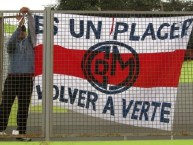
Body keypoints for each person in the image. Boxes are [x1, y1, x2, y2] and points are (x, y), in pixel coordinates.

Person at [0, 7, 36, 141]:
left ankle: (20, 133)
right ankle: (0, 129)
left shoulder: (30, 43)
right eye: (20, 31)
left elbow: (32, 30)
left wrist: (29, 15)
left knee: (23, 107)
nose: (21, 33)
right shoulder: (11, 44)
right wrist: (19, 24)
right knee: (5, 104)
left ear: (26, 34)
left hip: (26, 79)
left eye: (23, 32)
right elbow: (10, 43)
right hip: (12, 78)